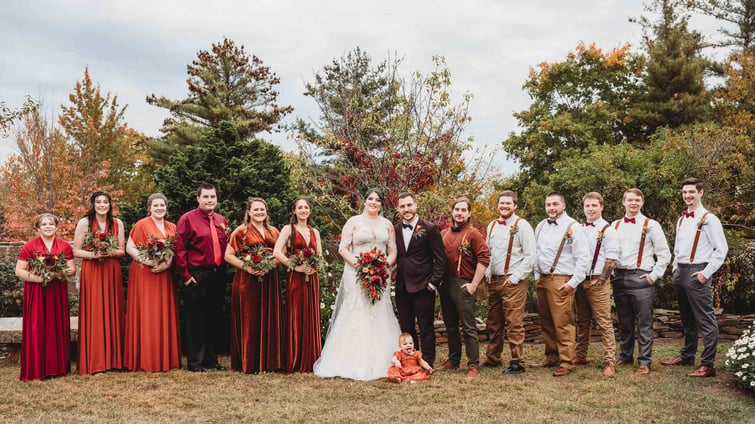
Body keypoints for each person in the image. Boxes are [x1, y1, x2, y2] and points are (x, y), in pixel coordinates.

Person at [313, 188, 401, 381]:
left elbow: (392, 250)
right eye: (370, 198)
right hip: (356, 272)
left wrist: (386, 264)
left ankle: (383, 359)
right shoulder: (353, 222)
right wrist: (360, 266)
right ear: (365, 201)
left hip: (380, 274)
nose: (374, 202)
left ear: (382, 204)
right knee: (356, 309)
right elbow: (343, 248)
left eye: (378, 200)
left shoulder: (387, 225)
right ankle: (349, 360)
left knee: (379, 309)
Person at [661, 178, 728, 377]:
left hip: (698, 270)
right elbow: (678, 248)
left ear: (701, 192)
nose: (687, 196)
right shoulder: (682, 219)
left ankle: (707, 365)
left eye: (691, 192)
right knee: (687, 319)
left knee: (706, 320)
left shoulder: (709, 219)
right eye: (684, 193)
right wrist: (675, 269)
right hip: (681, 271)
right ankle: (687, 355)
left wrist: (706, 273)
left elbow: (721, 249)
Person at [612, 188, 671, 375]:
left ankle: (644, 361)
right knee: (625, 321)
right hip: (619, 277)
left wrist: (653, 276)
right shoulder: (615, 225)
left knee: (644, 322)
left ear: (642, 202)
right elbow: (610, 251)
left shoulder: (651, 225)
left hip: (641, 276)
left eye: (637, 200)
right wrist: (611, 271)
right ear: (623, 202)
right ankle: (625, 355)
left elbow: (664, 254)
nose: (633, 203)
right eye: (630, 200)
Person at [531, 192, 589, 377]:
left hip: (562, 278)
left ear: (563, 205)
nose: (551, 208)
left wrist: (573, 283)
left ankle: (566, 362)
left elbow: (583, 258)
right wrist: (536, 276)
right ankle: (551, 356)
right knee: (546, 320)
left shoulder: (573, 227)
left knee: (563, 322)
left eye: (555, 204)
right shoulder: (540, 226)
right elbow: (536, 253)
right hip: (543, 278)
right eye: (548, 204)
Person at [175, 183, 229, 373]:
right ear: (198, 198)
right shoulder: (187, 219)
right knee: (196, 320)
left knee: (213, 319)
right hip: (196, 275)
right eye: (205, 197)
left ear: (216, 199)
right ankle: (195, 363)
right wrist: (187, 277)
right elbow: (180, 250)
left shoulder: (222, 220)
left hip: (217, 275)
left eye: (212, 197)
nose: (209, 200)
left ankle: (211, 360)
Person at [124, 193, 181, 372]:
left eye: (162, 205)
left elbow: (176, 250)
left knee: (162, 312)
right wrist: (148, 262)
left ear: (166, 207)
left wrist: (168, 264)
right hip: (144, 273)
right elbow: (129, 248)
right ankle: (145, 358)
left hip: (164, 274)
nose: (159, 208)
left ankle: (165, 357)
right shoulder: (141, 224)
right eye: (155, 205)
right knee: (146, 312)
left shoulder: (172, 226)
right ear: (149, 207)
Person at [225, 197, 283, 373]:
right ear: (248, 212)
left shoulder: (273, 232)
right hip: (247, 280)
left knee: (269, 317)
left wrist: (269, 266)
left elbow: (282, 253)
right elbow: (228, 255)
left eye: (262, 209)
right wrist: (248, 267)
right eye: (256, 210)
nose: (259, 213)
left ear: (266, 212)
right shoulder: (240, 232)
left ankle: (269, 362)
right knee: (250, 319)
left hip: (269, 280)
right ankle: (249, 362)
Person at [16, 214, 76, 381]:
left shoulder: (64, 246)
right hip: (36, 291)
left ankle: (57, 367)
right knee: (37, 327)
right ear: (38, 228)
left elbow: (72, 269)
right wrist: (38, 278)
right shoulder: (30, 246)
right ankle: (37, 368)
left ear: (56, 227)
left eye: (51, 224)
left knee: (56, 325)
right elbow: (19, 270)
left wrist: (56, 273)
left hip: (56, 291)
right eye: (44, 224)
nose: (48, 226)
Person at [480, 190, 535, 375]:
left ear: (515, 205)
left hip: (513, 280)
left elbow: (530, 257)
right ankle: (493, 358)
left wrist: (514, 278)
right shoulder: (492, 225)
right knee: (493, 322)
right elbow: (488, 252)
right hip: (493, 280)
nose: (504, 206)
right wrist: (487, 272)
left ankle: (517, 362)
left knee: (514, 323)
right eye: (501, 203)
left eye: (508, 204)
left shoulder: (523, 226)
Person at [73, 191, 126, 374]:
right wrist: (93, 254)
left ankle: (114, 360)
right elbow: (76, 251)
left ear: (110, 204)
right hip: (93, 270)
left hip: (111, 270)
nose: (102, 205)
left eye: (105, 202)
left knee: (112, 310)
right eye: (98, 202)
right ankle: (94, 361)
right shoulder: (84, 223)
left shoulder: (117, 223)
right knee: (94, 311)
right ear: (93, 204)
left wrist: (109, 251)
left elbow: (121, 252)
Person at [439, 196, 490, 377]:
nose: (459, 213)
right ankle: (453, 360)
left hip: (464, 283)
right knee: (450, 325)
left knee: (468, 326)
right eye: (456, 210)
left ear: (469, 214)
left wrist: (474, 285)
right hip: (445, 283)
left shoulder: (474, 234)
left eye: (463, 210)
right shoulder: (444, 233)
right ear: (452, 212)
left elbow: (484, 258)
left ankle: (473, 364)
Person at [393, 192, 445, 368]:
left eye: (409, 205)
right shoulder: (396, 229)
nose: (406, 209)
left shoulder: (430, 228)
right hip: (402, 287)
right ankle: (411, 360)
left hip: (424, 287)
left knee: (426, 328)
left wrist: (433, 283)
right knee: (406, 328)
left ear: (415, 205)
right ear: (398, 209)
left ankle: (428, 361)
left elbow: (440, 259)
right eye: (402, 206)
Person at [273, 198, 323, 373]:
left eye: (306, 207)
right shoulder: (288, 229)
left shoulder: (314, 231)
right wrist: (294, 266)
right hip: (296, 277)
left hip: (312, 278)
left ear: (310, 211)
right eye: (300, 207)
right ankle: (294, 358)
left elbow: (320, 255)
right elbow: (277, 252)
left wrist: (314, 266)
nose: (303, 210)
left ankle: (311, 359)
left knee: (311, 314)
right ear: (294, 211)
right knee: (296, 314)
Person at [574, 192, 618, 377]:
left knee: (603, 321)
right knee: (582, 321)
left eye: (594, 205)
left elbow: (612, 259)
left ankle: (610, 360)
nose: (590, 209)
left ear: (601, 207)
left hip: (598, 280)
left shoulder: (608, 230)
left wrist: (599, 282)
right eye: (587, 206)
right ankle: (580, 355)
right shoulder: (579, 228)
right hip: (579, 280)